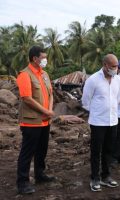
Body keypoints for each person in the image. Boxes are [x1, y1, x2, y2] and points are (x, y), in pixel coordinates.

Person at [16, 46, 55, 194]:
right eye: (43, 57)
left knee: (41, 149)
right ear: (35, 59)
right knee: (28, 152)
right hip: (31, 122)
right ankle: (22, 182)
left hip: (45, 121)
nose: (45, 60)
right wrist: (46, 111)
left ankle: (40, 174)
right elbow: (27, 99)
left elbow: (50, 93)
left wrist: (49, 112)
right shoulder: (24, 75)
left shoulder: (44, 74)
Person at [82, 54, 120, 192]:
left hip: (113, 121)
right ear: (105, 65)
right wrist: (98, 112)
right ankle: (95, 178)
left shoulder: (117, 80)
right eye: (113, 66)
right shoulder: (93, 80)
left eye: (117, 66)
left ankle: (106, 176)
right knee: (96, 151)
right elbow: (86, 102)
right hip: (98, 122)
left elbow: (117, 98)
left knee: (109, 150)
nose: (116, 69)